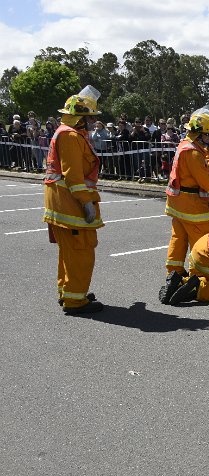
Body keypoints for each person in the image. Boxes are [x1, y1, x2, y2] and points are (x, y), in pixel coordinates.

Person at [161, 108, 209, 298]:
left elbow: (208, 159)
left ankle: (174, 274)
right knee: (201, 243)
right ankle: (195, 279)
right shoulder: (193, 153)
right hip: (192, 206)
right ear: (202, 133)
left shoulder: (188, 145)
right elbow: (205, 182)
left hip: (178, 204)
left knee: (178, 239)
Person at [43, 85, 105, 314]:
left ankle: (69, 292)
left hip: (64, 203)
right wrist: (86, 202)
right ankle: (75, 301)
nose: (91, 123)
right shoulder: (69, 136)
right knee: (81, 252)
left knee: (69, 253)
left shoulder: (67, 133)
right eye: (89, 119)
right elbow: (74, 176)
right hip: (70, 204)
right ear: (79, 118)